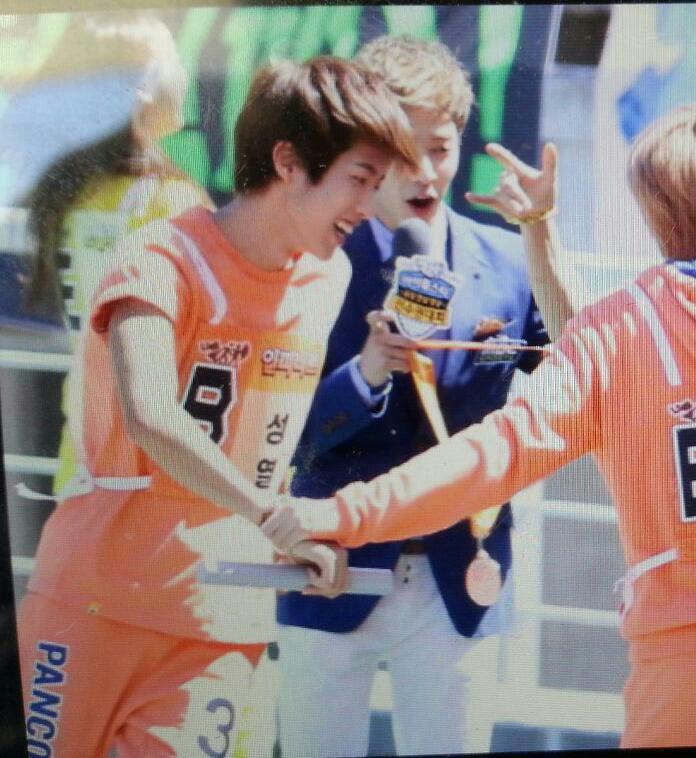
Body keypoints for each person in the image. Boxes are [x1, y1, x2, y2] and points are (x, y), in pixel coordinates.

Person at [263, 97, 696, 748]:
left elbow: (493, 456)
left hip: (680, 671)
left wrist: (338, 514)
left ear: (649, 211)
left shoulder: (621, 329)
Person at [16, 56, 418, 757]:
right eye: (359, 179)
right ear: (288, 161)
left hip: (224, 617)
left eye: (377, 185)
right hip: (95, 601)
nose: (368, 206)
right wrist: (270, 516)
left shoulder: (330, 277)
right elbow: (151, 416)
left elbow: (274, 443)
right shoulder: (160, 258)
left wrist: (304, 530)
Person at [274, 36, 551, 757]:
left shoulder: (508, 261)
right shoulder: (307, 261)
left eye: (440, 148)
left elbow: (582, 363)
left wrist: (541, 233)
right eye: (401, 153)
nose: (425, 172)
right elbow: (281, 434)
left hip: (459, 575)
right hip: (329, 567)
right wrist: (365, 372)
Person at [20, 14, 212, 496]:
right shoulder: (169, 201)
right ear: (141, 89)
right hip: (154, 471)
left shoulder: (67, 194)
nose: (182, 75)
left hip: (82, 461)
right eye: (172, 61)